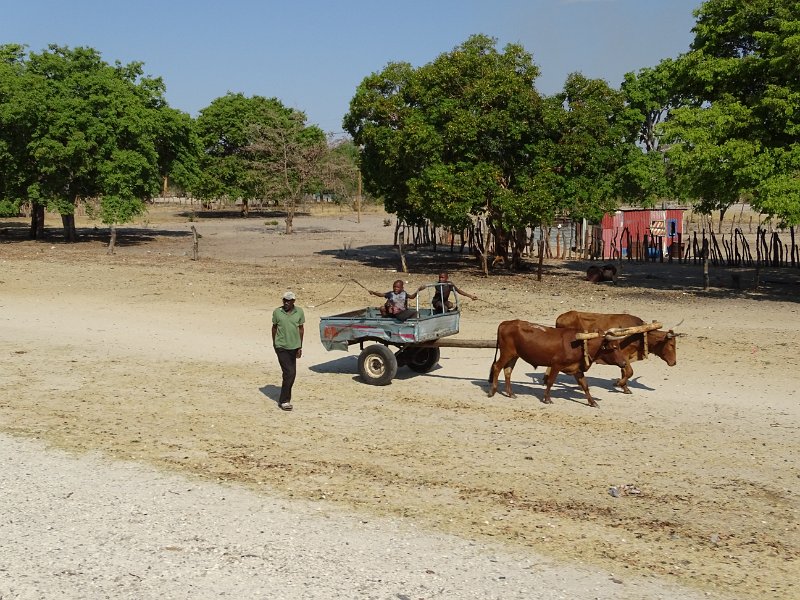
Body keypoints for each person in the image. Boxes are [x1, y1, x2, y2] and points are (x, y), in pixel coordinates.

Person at [271, 291, 304, 411]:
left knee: (291, 374)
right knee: (289, 372)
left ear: (293, 301)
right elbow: (274, 328)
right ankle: (284, 401)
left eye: (289, 301)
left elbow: (301, 329)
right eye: (284, 300)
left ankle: (285, 397)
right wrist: (275, 344)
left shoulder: (299, 312)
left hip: (294, 347)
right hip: (281, 347)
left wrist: (300, 346)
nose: (286, 303)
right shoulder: (277, 312)